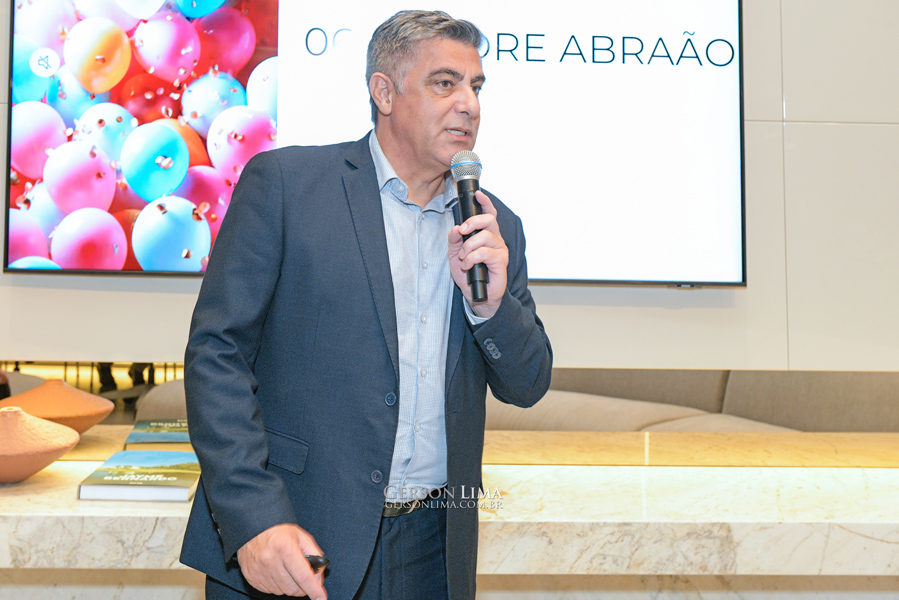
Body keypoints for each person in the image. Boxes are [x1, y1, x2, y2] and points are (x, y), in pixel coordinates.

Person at [180, 10, 552, 600]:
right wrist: (254, 519)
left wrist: (491, 305)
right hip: (294, 537)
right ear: (384, 92)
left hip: (433, 551)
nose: (469, 105)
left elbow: (527, 384)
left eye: (476, 87)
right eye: (445, 83)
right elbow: (216, 356)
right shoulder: (286, 185)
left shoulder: (492, 225)